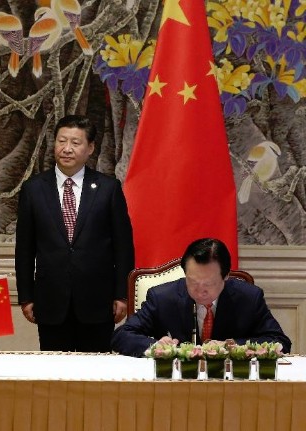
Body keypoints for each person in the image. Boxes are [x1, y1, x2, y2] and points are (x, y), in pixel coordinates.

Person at [15, 114, 135, 352]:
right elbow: (25, 249)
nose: (66, 149)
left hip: (98, 302)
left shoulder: (108, 188)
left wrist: (122, 294)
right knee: (54, 376)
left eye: (75, 143)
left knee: (96, 375)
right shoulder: (34, 189)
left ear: (90, 148)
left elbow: (123, 247)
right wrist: (26, 296)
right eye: (62, 141)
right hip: (51, 301)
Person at [111, 238, 291, 356]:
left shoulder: (249, 298)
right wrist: (155, 346)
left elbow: (280, 341)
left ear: (226, 276)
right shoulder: (162, 297)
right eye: (193, 282)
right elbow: (122, 336)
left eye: (209, 283)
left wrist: (235, 347)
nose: (200, 291)